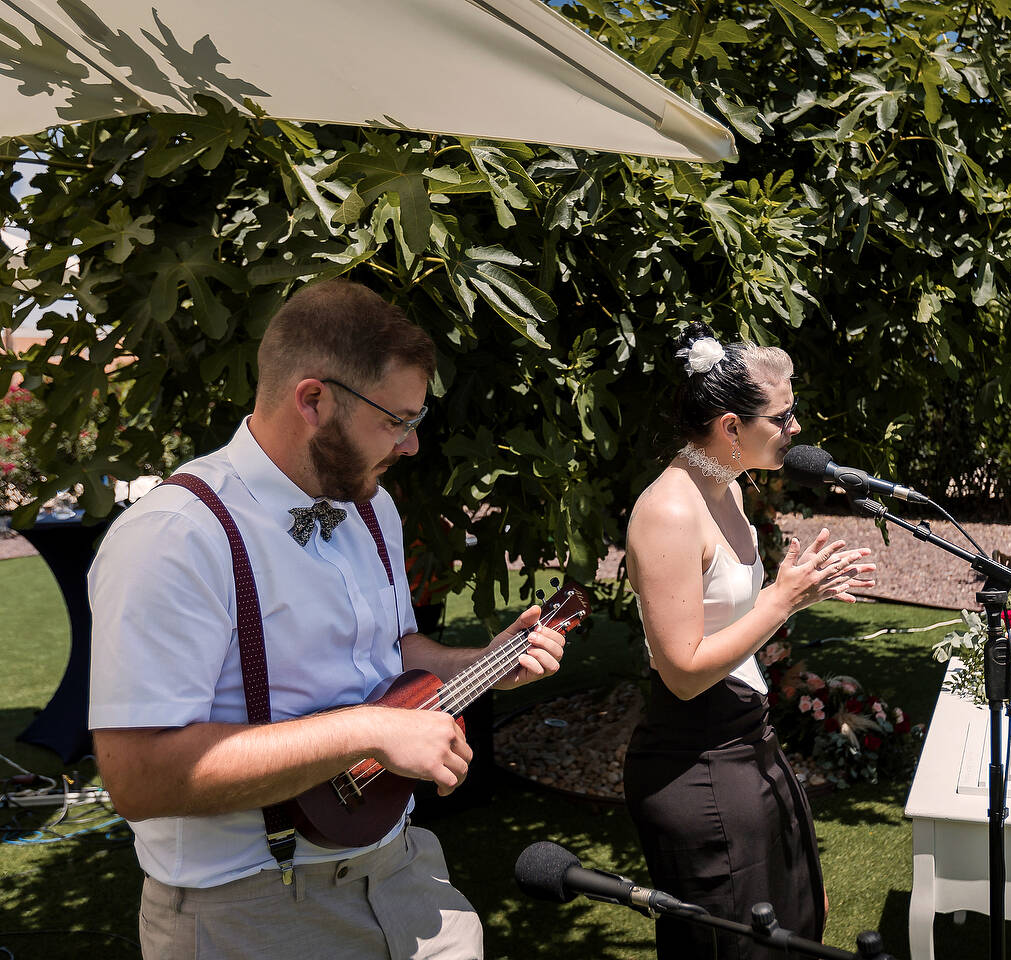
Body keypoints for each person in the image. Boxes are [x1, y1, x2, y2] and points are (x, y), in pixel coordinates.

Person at [88, 280, 568, 960]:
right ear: (312, 399)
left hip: (404, 874)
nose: (410, 447)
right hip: (249, 911)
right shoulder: (175, 534)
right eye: (396, 421)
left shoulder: (373, 507)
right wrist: (369, 729)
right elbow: (137, 778)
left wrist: (482, 664)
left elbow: (394, 651)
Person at [623, 324, 876, 959]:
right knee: (737, 946)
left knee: (791, 927)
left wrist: (798, 593)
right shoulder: (670, 511)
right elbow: (681, 670)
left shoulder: (728, 486)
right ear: (731, 428)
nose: (796, 431)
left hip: (746, 735)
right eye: (783, 417)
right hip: (696, 757)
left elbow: (727, 621)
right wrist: (781, 599)